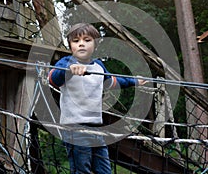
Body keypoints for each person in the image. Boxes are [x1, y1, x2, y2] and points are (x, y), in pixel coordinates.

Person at [48, 23, 146, 174]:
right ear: (70, 45)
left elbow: (113, 82)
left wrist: (135, 81)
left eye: (87, 40)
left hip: (96, 129)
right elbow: (53, 79)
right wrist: (69, 70)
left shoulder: (99, 66)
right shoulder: (66, 62)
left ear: (95, 44)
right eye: (76, 41)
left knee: (104, 170)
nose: (81, 44)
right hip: (74, 129)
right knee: (82, 170)